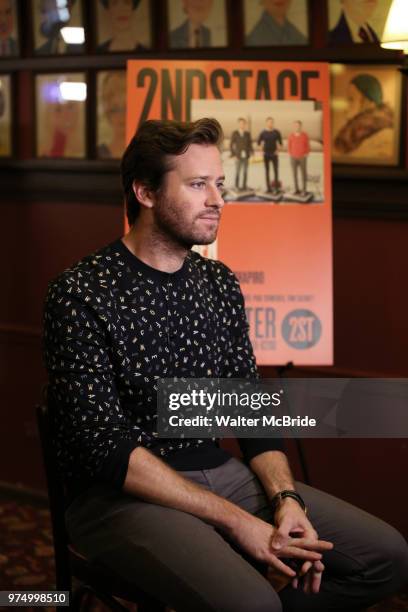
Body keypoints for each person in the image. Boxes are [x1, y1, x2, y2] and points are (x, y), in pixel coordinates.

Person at [43, 118, 408, 612]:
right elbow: (104, 448)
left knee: (387, 557)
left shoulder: (218, 283)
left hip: (221, 473)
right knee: (252, 604)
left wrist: (285, 501)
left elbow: (249, 410)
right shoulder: (81, 293)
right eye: (197, 185)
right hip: (119, 496)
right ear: (145, 191)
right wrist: (236, 521)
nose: (217, 200)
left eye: (220, 185)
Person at [334, 73, 394, 158]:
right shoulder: (351, 135)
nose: (346, 105)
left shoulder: (383, 138)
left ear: (369, 103)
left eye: (351, 99)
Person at [97, 71, 126, 159]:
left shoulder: (151, 155)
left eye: (126, 109)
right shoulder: (97, 155)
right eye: (115, 109)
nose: (122, 116)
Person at [257, 117, 282, 193]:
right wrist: (261, 151)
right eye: (269, 122)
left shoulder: (276, 132)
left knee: (276, 171)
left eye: (271, 122)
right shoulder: (263, 132)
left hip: (274, 154)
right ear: (266, 123)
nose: (270, 123)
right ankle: (268, 188)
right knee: (267, 171)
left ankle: (276, 188)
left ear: (273, 123)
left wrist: (277, 151)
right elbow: (259, 143)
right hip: (266, 154)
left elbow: (280, 143)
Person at [230, 117, 253, 191]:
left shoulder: (247, 134)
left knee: (245, 171)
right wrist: (233, 154)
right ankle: (236, 186)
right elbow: (231, 144)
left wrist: (252, 152)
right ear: (238, 124)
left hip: (246, 156)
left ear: (245, 124)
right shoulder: (235, 133)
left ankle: (244, 186)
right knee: (237, 171)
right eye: (240, 123)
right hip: (238, 156)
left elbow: (250, 144)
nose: (242, 125)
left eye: (243, 123)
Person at [288, 120, 310, 195]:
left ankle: (304, 190)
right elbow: (289, 146)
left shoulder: (305, 135)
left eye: (298, 125)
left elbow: (307, 145)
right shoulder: (291, 135)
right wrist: (291, 154)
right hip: (293, 157)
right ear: (294, 127)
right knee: (294, 174)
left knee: (303, 174)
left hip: (302, 157)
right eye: (295, 125)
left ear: (300, 126)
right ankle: (296, 189)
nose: (296, 127)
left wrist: (307, 153)